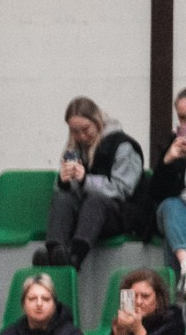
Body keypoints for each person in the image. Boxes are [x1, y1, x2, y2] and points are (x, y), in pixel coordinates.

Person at [41, 97, 145, 269]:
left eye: (85, 129)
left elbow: (122, 189)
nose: (81, 136)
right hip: (87, 214)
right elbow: (71, 191)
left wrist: (85, 180)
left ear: (97, 122)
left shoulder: (124, 146)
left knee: (95, 201)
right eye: (75, 131)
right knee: (62, 197)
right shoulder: (77, 148)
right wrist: (64, 181)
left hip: (120, 214)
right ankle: (54, 251)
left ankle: (75, 256)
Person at [156, 87, 186, 276]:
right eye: (181, 118)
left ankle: (181, 275)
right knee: (170, 207)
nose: (184, 124)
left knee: (172, 236)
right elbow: (154, 195)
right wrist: (167, 161)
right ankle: (185, 263)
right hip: (176, 213)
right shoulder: (173, 143)